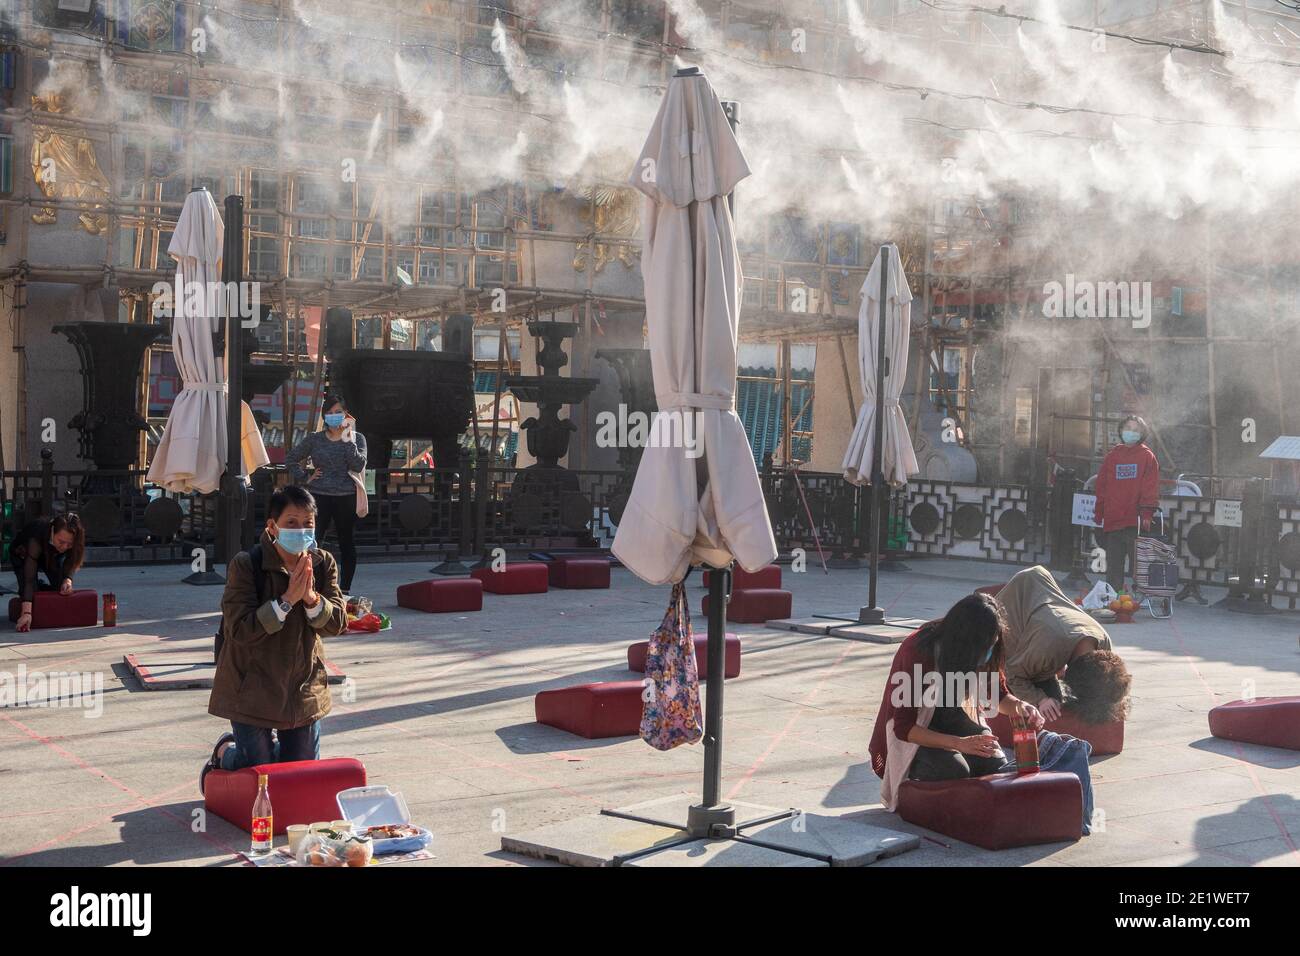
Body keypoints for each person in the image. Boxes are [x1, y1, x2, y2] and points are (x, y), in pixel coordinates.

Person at [870, 593, 1096, 833]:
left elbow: (999, 697)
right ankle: (914, 797)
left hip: (954, 718)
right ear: (965, 641)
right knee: (954, 770)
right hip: (917, 731)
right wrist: (959, 744)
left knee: (995, 764)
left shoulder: (988, 648)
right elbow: (903, 728)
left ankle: (968, 802)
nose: (987, 653)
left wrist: (1022, 707)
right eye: (984, 647)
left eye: (992, 644)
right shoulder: (918, 650)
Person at [200, 486, 348, 793]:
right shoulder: (247, 564)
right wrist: (284, 602)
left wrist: (309, 599)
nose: (301, 530)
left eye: (308, 523)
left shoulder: (322, 564)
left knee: (300, 776)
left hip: (302, 686)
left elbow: (337, 624)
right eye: (291, 523)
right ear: (272, 526)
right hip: (251, 686)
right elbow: (239, 630)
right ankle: (225, 754)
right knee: (261, 774)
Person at [995, 565, 1131, 725]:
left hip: (1045, 616)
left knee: (1057, 705)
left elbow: (1106, 688)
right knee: (1044, 708)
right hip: (1020, 597)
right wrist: (1040, 699)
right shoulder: (1046, 650)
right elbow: (1013, 674)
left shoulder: (1102, 642)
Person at [283, 394, 368, 594]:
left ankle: (345, 590)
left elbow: (359, 464)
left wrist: (347, 437)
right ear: (324, 416)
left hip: (347, 497)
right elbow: (291, 459)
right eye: (329, 413)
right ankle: (312, 585)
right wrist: (305, 477)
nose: (334, 416)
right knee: (313, 541)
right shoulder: (315, 439)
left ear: (346, 414)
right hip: (319, 496)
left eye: (338, 412)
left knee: (346, 541)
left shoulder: (357, 438)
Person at [1093, 414, 1159, 593]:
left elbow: (1150, 489)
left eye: (1136, 430)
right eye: (1128, 429)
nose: (1131, 432)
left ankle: (1142, 597)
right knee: (1114, 564)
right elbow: (1102, 486)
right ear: (1121, 431)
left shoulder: (1147, 457)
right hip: (1113, 519)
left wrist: (1147, 514)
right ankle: (1114, 597)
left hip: (1135, 521)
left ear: (1142, 433)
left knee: (1138, 564)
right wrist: (1099, 513)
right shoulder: (1112, 456)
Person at [8, 514, 85, 633]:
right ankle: (29, 597)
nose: (64, 547)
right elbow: (29, 578)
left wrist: (67, 580)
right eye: (61, 541)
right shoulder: (36, 536)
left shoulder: (73, 540)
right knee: (29, 589)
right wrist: (26, 613)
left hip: (50, 554)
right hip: (23, 554)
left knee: (60, 589)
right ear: (53, 531)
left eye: (69, 544)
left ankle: (39, 588)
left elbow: (71, 560)